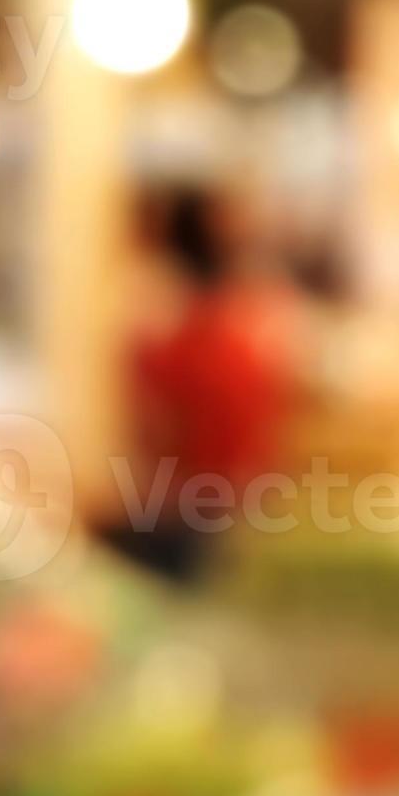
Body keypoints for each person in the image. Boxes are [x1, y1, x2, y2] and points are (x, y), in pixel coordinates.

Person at [114, 190, 292, 581]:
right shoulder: (237, 333)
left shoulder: (183, 337)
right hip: (219, 510)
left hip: (203, 510)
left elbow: (153, 436)